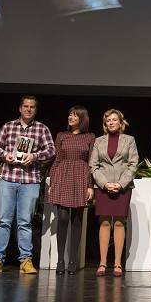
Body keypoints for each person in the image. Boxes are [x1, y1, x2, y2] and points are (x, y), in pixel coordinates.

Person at [0, 96, 55, 274]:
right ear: (20, 108)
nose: (28, 109)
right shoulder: (8, 126)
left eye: (32, 107)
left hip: (30, 181)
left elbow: (51, 149)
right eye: (26, 106)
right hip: (7, 178)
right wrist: (5, 155)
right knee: (4, 221)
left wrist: (35, 156)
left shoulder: (41, 128)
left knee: (25, 222)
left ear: (35, 110)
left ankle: (26, 260)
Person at [89, 109, 139, 277]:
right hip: (103, 187)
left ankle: (117, 263)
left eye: (114, 120)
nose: (111, 122)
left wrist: (120, 184)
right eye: (108, 120)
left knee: (118, 223)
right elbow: (93, 166)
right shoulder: (98, 141)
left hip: (122, 187)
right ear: (105, 124)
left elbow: (133, 164)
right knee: (104, 223)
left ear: (120, 123)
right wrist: (105, 184)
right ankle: (102, 263)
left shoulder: (129, 140)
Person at [48, 106, 96, 275]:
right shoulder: (61, 135)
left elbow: (91, 161)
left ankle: (73, 261)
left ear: (82, 118)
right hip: (63, 175)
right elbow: (57, 159)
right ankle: (60, 260)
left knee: (76, 219)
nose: (70, 117)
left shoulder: (89, 137)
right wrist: (52, 181)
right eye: (69, 114)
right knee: (62, 217)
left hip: (81, 176)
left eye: (75, 115)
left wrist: (90, 185)